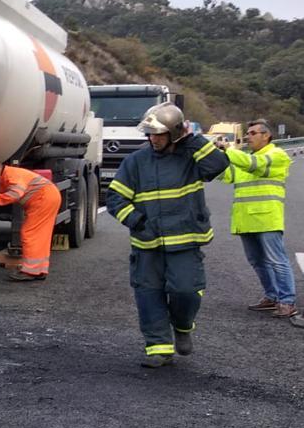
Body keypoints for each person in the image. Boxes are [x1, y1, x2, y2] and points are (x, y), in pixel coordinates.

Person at [105, 104, 230, 367]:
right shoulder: (136, 161)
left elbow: (218, 165)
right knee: (148, 294)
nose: (153, 139)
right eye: (150, 134)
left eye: (159, 134)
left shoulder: (192, 158)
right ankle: (159, 348)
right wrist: (136, 220)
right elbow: (115, 197)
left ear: (174, 133)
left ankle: (183, 326)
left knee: (186, 291)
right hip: (147, 243)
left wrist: (192, 139)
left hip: (185, 240)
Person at [215, 118, 298, 321]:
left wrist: (229, 149)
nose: (248, 137)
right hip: (246, 219)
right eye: (247, 134)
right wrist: (216, 155)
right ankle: (271, 296)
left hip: (267, 218)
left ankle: (287, 301)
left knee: (277, 261)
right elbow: (226, 175)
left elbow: (254, 165)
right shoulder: (245, 158)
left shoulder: (275, 154)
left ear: (266, 135)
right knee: (257, 261)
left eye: (252, 133)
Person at [0, 161, 62, 281]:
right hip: (48, 197)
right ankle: (39, 269)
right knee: (40, 236)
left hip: (42, 199)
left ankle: (30, 271)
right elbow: (0, 192)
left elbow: (15, 194)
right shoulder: (6, 177)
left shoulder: (10, 175)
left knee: (29, 233)